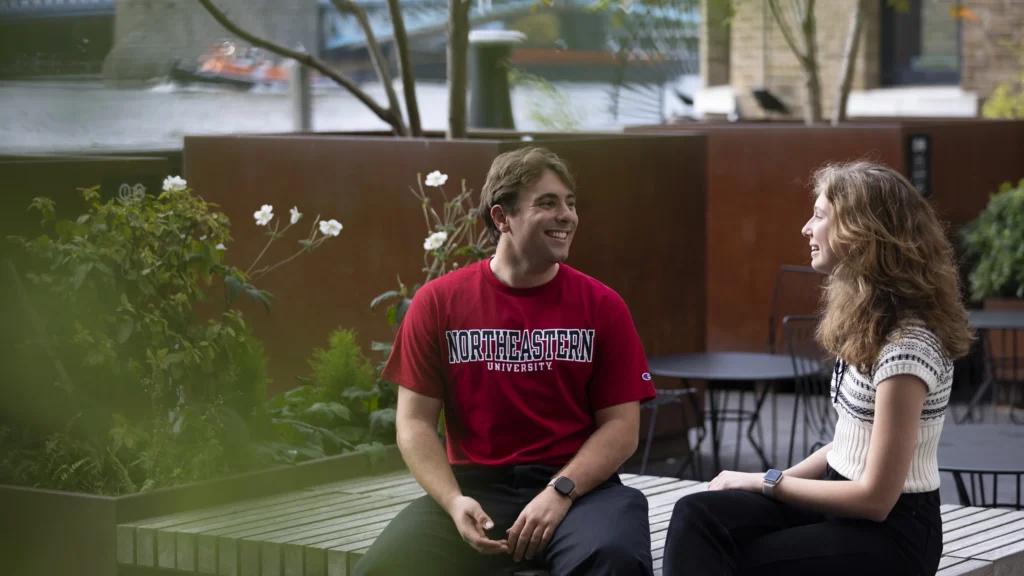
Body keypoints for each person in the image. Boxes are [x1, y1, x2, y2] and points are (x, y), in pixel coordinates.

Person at [353, 147, 658, 576]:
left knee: (616, 561)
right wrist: (453, 501)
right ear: (501, 218)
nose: (567, 215)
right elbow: (414, 423)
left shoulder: (602, 306)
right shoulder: (438, 303)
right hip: (477, 490)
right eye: (547, 203)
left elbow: (622, 428)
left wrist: (560, 492)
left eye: (570, 203)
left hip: (582, 492)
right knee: (383, 567)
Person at [662, 161, 974, 576]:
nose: (806, 229)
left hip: (892, 535)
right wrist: (770, 481)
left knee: (742, 558)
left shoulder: (907, 349)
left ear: (860, 232)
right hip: (840, 503)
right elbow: (847, 445)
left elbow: (876, 499)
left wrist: (766, 484)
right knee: (698, 514)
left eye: (820, 216)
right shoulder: (870, 321)